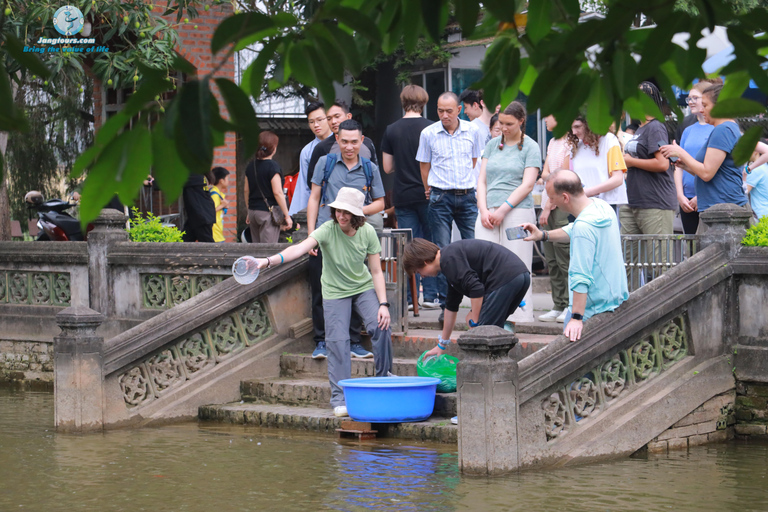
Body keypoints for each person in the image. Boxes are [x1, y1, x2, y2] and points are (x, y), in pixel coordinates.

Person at [254, 187, 393, 418]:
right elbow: (299, 249)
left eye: (346, 212)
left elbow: (377, 271)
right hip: (334, 291)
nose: (341, 216)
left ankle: (384, 380)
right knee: (337, 341)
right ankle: (339, 398)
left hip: (362, 287)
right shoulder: (327, 230)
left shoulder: (367, 232)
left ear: (357, 215)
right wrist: (268, 261)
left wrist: (384, 304)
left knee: (381, 326)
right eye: (338, 210)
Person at [307, 119, 386, 360]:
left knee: (355, 287)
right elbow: (314, 198)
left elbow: (381, 203)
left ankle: (354, 341)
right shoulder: (325, 163)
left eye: (354, 142)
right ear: (337, 140)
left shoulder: (370, 168)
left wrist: (356, 211)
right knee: (321, 288)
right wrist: (312, 234)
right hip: (326, 235)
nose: (349, 147)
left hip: (355, 238)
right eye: (344, 141)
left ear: (362, 141)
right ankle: (321, 340)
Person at [521, 170, 629, 341]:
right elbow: (573, 229)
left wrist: (576, 318)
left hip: (589, 312)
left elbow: (581, 276)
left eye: (551, 198)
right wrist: (543, 235)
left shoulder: (583, 228)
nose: (550, 202)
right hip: (614, 302)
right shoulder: (601, 207)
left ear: (565, 198)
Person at [403, 238, 530, 357]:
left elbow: (476, 289)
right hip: (520, 276)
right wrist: (442, 345)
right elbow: (451, 307)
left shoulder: (449, 260)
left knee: (483, 336)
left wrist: (475, 320)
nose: (422, 276)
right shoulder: (449, 261)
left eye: (419, 272)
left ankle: (488, 376)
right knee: (491, 332)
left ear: (425, 262)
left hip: (506, 279)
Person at [416, 91, 484, 313]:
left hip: (467, 195)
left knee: (474, 247)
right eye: (440, 110)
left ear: (459, 110)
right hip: (441, 196)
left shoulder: (473, 130)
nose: (444, 115)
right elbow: (424, 165)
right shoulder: (428, 133)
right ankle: (447, 305)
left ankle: (479, 302)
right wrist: (428, 189)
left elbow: (475, 160)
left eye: (448, 111)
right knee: (442, 253)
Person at [475, 101, 541, 323]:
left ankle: (521, 317)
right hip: (488, 209)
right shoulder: (492, 145)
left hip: (517, 210)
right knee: (485, 265)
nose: (504, 127)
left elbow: (528, 184)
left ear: (521, 121)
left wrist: (503, 209)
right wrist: (483, 209)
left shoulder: (531, 146)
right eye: (501, 122)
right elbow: (481, 181)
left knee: (518, 264)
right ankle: (490, 316)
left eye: (509, 123)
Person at [381, 84, 439, 310]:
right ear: (424, 102)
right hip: (429, 193)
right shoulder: (432, 128)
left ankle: (408, 297)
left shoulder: (391, 130)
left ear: (402, 101)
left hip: (403, 194)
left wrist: (402, 164)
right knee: (432, 244)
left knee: (408, 246)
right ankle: (432, 295)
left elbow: (387, 168)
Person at [660, 84, 748, 230]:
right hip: (718, 208)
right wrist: (685, 165)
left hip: (723, 211)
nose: (701, 110)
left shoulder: (723, 130)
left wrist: (681, 153)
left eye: (705, 105)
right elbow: (715, 173)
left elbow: (707, 173)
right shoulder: (727, 128)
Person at [621, 81, 676, 283]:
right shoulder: (639, 129)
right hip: (634, 201)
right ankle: (633, 310)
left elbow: (662, 164)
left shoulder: (656, 127)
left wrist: (630, 161)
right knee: (629, 262)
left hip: (655, 202)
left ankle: (666, 313)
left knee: (660, 265)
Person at [674, 79, 722, 234]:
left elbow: (715, 169)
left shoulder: (717, 128)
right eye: (689, 98)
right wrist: (680, 195)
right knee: (690, 248)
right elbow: (678, 165)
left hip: (708, 197)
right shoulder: (688, 130)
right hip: (686, 199)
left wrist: (698, 196)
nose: (690, 102)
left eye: (695, 98)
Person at [538, 114, 571, 323]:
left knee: (564, 257)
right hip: (547, 202)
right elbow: (545, 173)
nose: (545, 120)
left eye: (549, 115)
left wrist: (549, 207)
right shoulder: (552, 141)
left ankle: (570, 304)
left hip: (560, 205)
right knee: (551, 258)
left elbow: (564, 177)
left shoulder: (571, 142)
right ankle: (558, 304)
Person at [566, 114, 628, 215]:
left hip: (605, 205)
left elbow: (617, 179)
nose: (574, 132)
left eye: (577, 127)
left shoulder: (609, 140)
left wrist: (588, 192)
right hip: (581, 206)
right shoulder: (576, 148)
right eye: (571, 128)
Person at [244, 131, 292, 243]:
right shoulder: (273, 166)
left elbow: (246, 190)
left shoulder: (251, 166)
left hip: (253, 212)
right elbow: (277, 192)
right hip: (267, 213)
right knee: (267, 251)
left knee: (256, 250)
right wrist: (287, 215)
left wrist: (248, 211)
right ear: (274, 148)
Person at [289, 101, 333, 215]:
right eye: (311, 122)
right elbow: (303, 185)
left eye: (319, 120)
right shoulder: (307, 151)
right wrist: (298, 213)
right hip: (319, 207)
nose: (316, 125)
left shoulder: (343, 143)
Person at [181, 174, 216, 243]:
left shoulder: (193, 176)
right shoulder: (197, 175)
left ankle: (220, 254)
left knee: (209, 247)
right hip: (198, 215)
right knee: (182, 243)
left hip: (201, 217)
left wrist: (153, 181)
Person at [208, 167, 231, 243]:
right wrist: (222, 205)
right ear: (221, 181)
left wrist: (224, 206)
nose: (228, 181)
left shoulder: (218, 193)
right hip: (215, 234)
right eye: (227, 178)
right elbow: (210, 212)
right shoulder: (214, 195)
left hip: (218, 233)